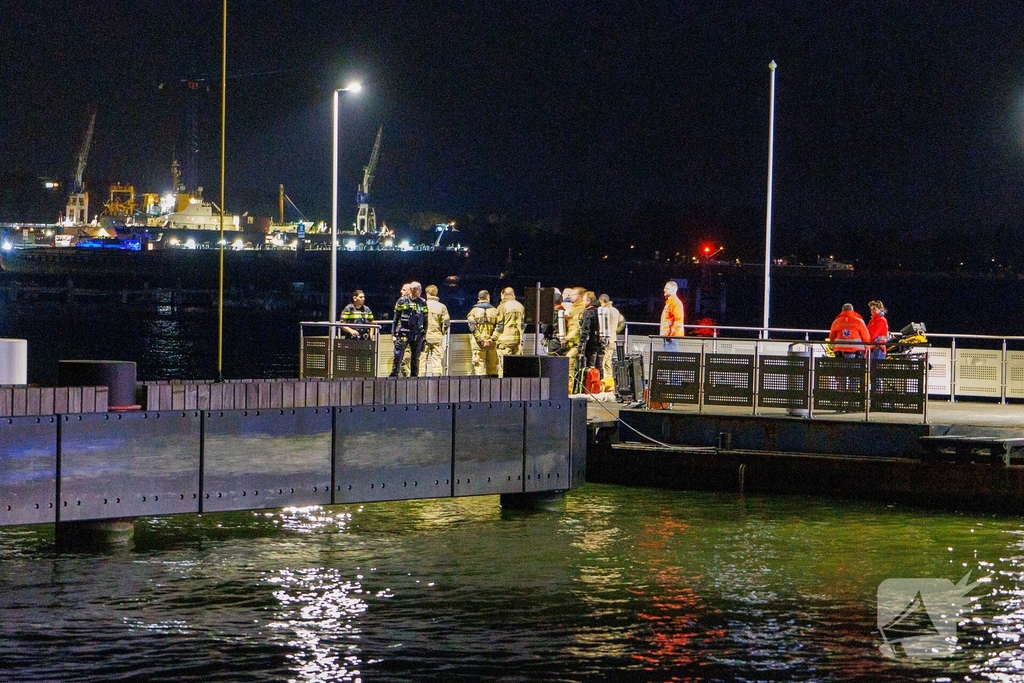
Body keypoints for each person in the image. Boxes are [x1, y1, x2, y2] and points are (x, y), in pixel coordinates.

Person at [390, 281, 428, 377]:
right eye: (417, 289)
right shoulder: (401, 301)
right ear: (412, 290)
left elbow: (425, 319)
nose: (419, 291)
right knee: (398, 355)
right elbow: (395, 318)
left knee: (416, 357)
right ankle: (394, 375)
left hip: (417, 333)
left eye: (419, 289)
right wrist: (393, 334)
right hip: (403, 331)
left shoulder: (422, 302)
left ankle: (414, 376)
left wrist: (424, 334)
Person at [492, 286, 525, 375]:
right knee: (516, 367)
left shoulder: (502, 306)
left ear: (503, 295)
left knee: (503, 367)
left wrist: (493, 339)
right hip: (518, 341)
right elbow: (523, 324)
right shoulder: (520, 306)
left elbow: (499, 326)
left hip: (504, 341)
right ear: (513, 294)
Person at [577, 291, 605, 393]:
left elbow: (585, 329)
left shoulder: (589, 312)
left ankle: (589, 388)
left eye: (584, 300)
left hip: (591, 343)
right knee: (600, 366)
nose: (583, 302)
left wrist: (581, 344)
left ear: (589, 300)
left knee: (590, 366)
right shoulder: (600, 311)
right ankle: (600, 387)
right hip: (600, 342)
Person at [467, 290, 499, 375]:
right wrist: (492, 339)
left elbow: (472, 327)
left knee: (479, 367)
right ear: (488, 298)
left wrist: (480, 340)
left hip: (478, 345)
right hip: (492, 344)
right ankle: (494, 387)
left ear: (478, 298)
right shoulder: (495, 311)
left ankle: (481, 387)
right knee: (493, 368)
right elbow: (499, 326)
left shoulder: (473, 311)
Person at [423, 284, 450, 376]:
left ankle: (420, 383)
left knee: (422, 360)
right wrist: (442, 332)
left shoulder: (423, 305)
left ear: (427, 294)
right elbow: (446, 322)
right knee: (437, 362)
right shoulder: (442, 307)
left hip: (424, 337)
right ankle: (437, 383)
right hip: (437, 337)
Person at [599, 293, 624, 381]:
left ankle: (603, 382)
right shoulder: (616, 311)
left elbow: (602, 325)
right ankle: (609, 382)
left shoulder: (605, 311)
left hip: (606, 340)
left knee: (603, 362)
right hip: (613, 339)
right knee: (608, 362)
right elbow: (622, 322)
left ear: (602, 301)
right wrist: (615, 331)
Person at [660, 281, 685, 352]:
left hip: (671, 337)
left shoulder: (676, 303)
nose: (664, 290)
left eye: (667, 288)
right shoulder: (670, 302)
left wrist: (672, 335)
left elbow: (678, 321)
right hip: (668, 336)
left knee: (671, 359)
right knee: (669, 359)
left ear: (673, 290)